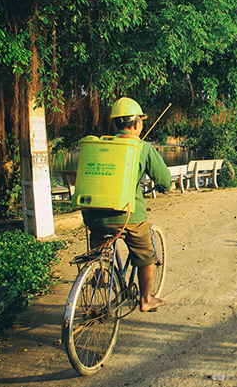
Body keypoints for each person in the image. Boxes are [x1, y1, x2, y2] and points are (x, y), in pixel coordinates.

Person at [82, 97, 172, 312]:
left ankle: (101, 271)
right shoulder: (142, 147)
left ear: (116, 123)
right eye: (141, 121)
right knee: (145, 255)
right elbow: (165, 182)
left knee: (99, 233)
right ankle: (146, 300)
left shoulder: (98, 145)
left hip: (93, 214)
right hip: (128, 217)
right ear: (136, 124)